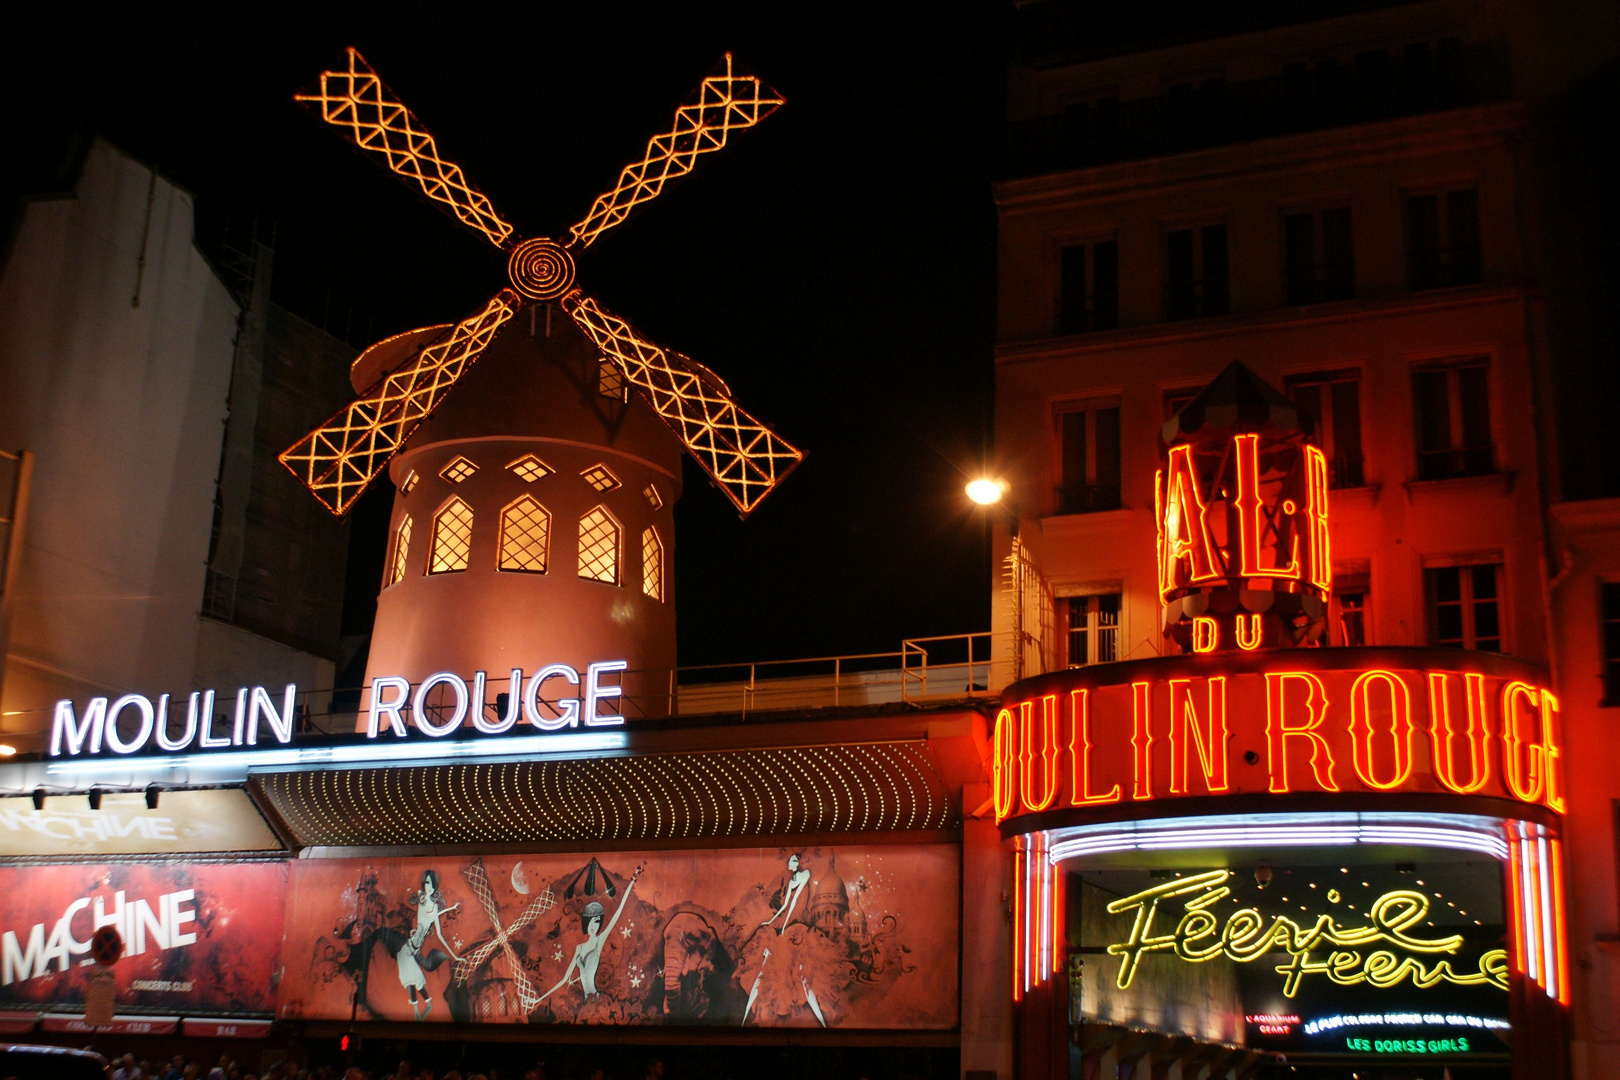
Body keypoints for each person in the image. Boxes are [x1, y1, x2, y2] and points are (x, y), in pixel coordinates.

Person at [538, 865, 642, 1003]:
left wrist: (632, 881)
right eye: (591, 921)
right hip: (587, 1001)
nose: (594, 925)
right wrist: (539, 999)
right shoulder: (579, 948)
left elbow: (617, 914)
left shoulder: (599, 942)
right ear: (587, 923)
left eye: (597, 921)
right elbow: (564, 979)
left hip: (596, 999)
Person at [398, 870, 461, 1020]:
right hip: (410, 946)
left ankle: (422, 1008)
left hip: (413, 948)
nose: (428, 886)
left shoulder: (433, 908)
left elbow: (439, 934)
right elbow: (426, 912)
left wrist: (455, 957)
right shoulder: (422, 899)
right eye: (426, 882)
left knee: (411, 976)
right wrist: (450, 909)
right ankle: (419, 1009)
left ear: (434, 887)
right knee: (410, 976)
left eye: (431, 883)